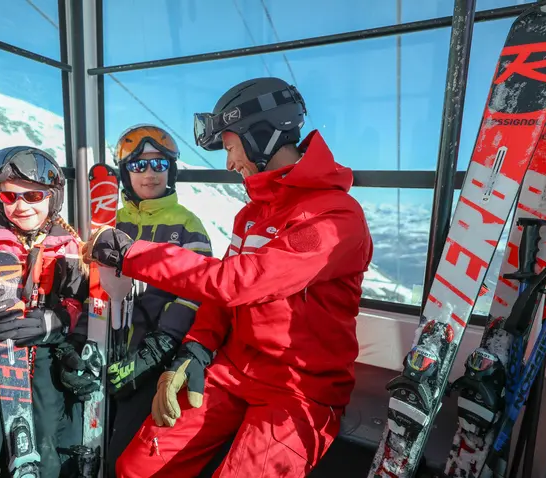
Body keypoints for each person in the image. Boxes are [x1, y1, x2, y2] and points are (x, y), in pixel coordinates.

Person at [83, 77, 374, 477]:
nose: (229, 162)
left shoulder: (336, 217)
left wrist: (130, 253)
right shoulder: (251, 213)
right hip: (233, 369)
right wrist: (196, 350)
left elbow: (239, 281)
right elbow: (223, 299)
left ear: (261, 137)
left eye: (232, 146)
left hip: (298, 389)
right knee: (137, 468)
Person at [0, 146, 99, 477]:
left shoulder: (67, 246)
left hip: (42, 351)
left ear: (52, 196)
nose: (20, 206)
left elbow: (76, 300)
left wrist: (54, 322)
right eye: (9, 197)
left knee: (45, 433)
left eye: (32, 195)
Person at [104, 124, 213, 477]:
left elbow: (195, 295)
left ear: (171, 170)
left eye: (159, 164)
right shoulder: (109, 221)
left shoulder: (186, 226)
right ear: (125, 172)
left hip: (152, 356)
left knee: (123, 448)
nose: (149, 173)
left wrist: (156, 350)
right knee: (91, 439)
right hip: (103, 348)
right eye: (138, 166)